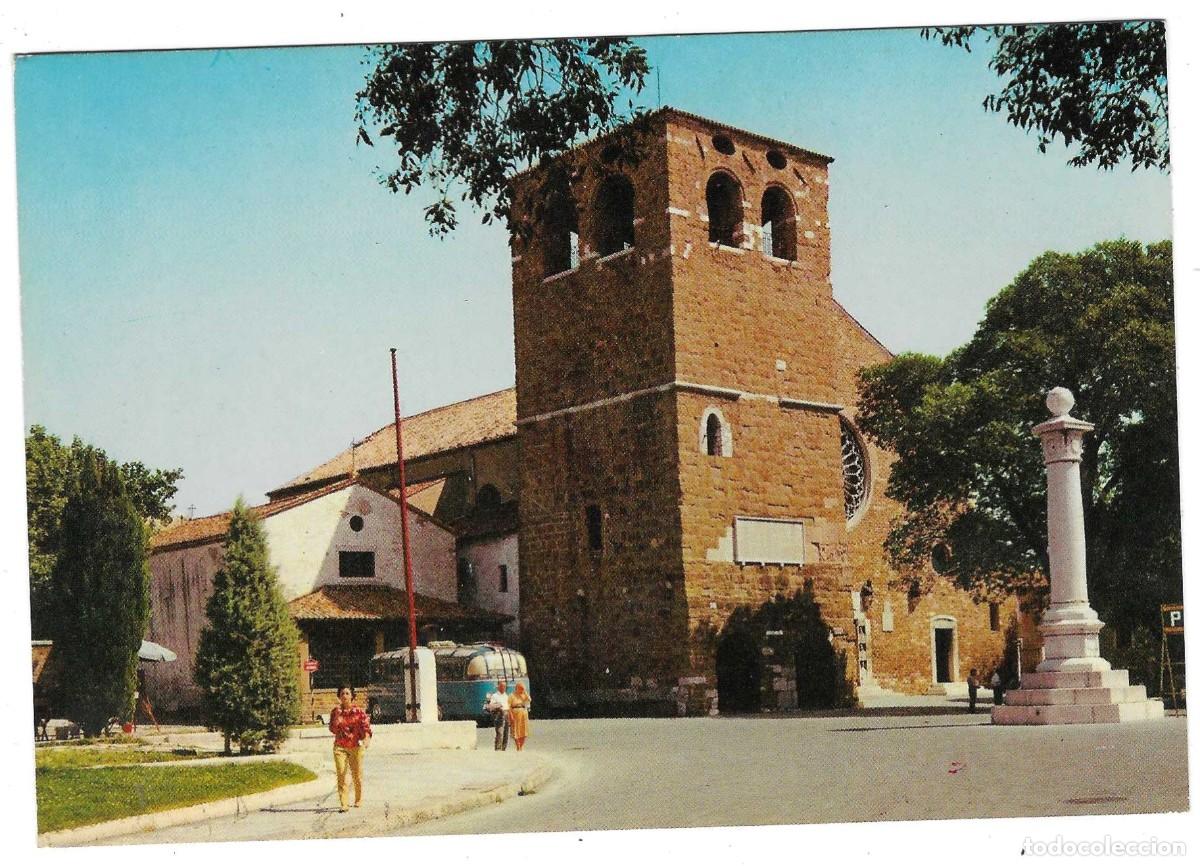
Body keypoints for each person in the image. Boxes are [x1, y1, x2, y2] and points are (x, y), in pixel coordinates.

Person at [329, 684, 372, 812]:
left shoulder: (359, 712)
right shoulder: (335, 712)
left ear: (352, 696)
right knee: (341, 773)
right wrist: (336, 722)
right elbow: (332, 729)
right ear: (339, 696)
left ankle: (358, 799)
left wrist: (366, 739)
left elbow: (366, 728)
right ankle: (344, 803)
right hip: (340, 747)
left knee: (357, 775)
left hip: (355, 746)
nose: (344, 696)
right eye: (342, 694)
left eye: (347, 693)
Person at [484, 679, 511, 750]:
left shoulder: (506, 695)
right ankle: (498, 749)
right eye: (502, 686)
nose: (503, 688)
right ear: (498, 687)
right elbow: (491, 705)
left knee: (506, 734)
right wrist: (498, 706)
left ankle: (503, 749)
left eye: (505, 686)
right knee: (500, 733)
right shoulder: (495, 696)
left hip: (506, 714)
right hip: (499, 715)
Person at [508, 682, 532, 751]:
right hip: (515, 712)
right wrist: (511, 715)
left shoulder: (524, 694)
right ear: (517, 688)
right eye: (520, 688)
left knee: (524, 730)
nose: (522, 690)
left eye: (523, 689)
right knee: (515, 729)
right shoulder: (511, 696)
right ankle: (518, 745)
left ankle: (521, 746)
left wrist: (525, 692)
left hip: (523, 712)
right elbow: (509, 706)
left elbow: (529, 700)